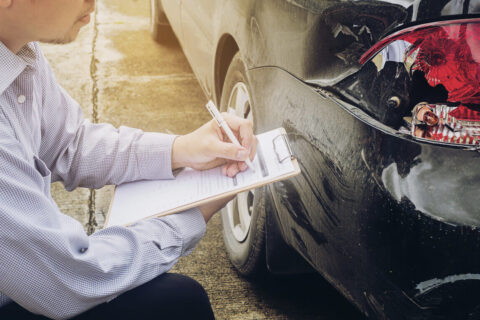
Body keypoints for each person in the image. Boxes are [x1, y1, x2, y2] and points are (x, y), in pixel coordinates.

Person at [0, 0, 257, 319]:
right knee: (179, 303)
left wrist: (182, 149)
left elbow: (71, 144)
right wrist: (190, 215)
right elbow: (70, 279)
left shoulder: (18, 49)